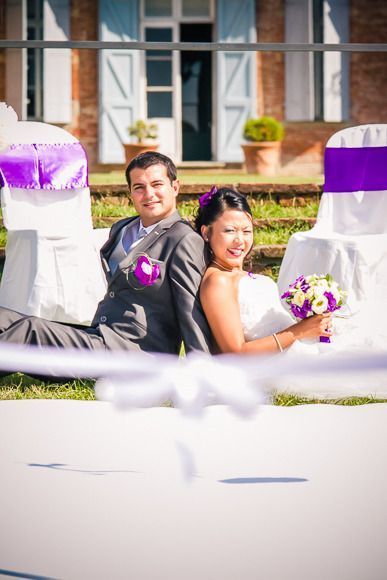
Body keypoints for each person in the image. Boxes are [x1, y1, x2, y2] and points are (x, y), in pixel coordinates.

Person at [0, 152, 213, 375]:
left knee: (30, 330)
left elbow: (191, 311)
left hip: (139, 355)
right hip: (101, 336)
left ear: (175, 187)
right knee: (6, 317)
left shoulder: (184, 240)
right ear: (130, 193)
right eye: (139, 187)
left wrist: (201, 373)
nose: (149, 194)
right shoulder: (122, 229)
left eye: (157, 184)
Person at [194, 187, 332, 355]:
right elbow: (235, 352)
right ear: (206, 233)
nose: (239, 240)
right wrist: (299, 331)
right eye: (229, 230)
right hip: (274, 369)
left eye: (246, 231)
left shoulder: (241, 276)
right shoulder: (218, 281)